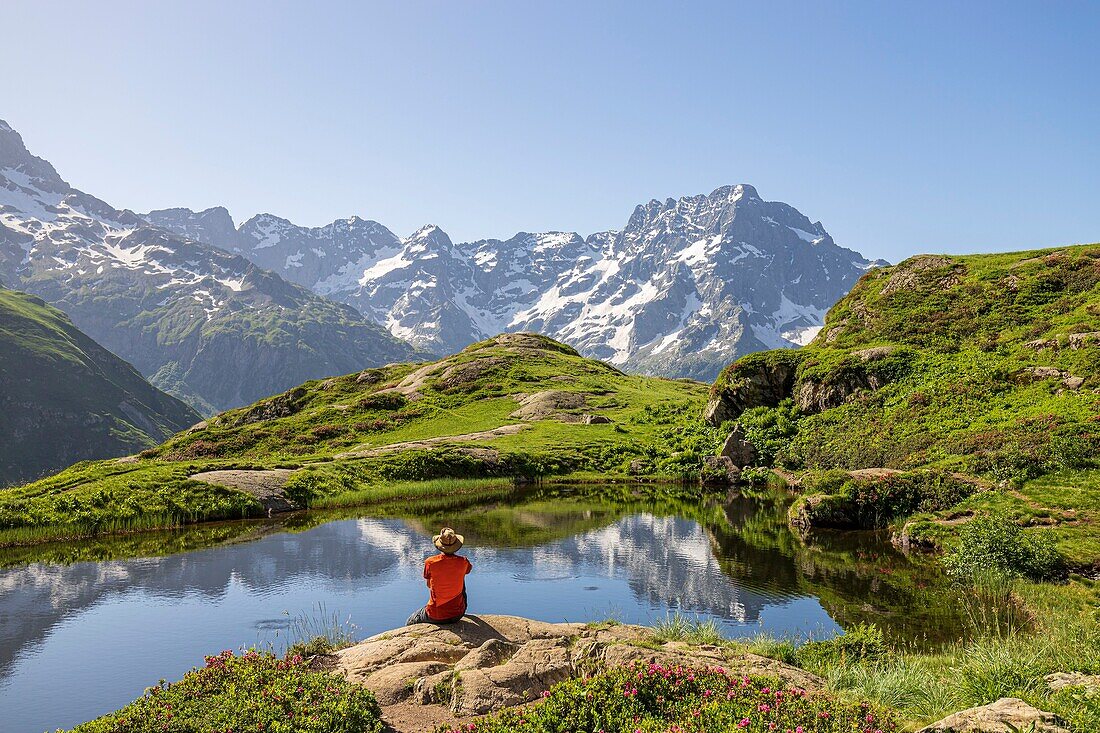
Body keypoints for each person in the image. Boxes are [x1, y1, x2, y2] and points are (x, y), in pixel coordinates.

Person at [405, 527, 472, 626]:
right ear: (456, 545)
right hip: (458, 614)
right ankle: (455, 607)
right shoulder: (464, 561)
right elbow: (468, 570)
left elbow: (429, 585)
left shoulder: (430, 562)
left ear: (439, 545)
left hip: (435, 615)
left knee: (410, 621)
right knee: (461, 578)